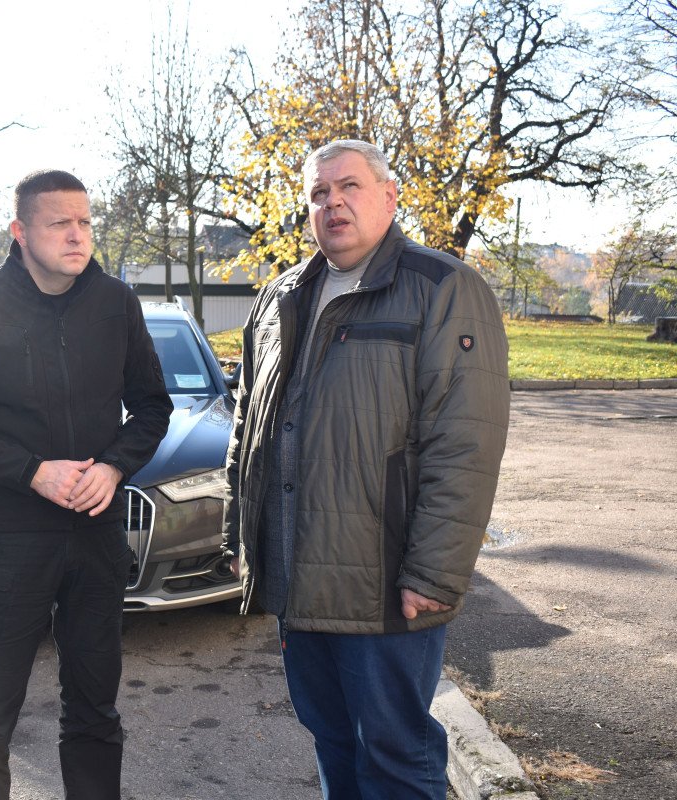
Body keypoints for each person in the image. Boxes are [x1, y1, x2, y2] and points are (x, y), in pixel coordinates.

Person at [223, 140, 510, 799]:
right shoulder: (279, 297)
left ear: (389, 196)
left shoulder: (443, 288)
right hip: (297, 580)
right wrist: (243, 537)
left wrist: (434, 574)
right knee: (331, 740)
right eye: (319, 193)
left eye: (349, 186)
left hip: (385, 584)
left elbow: (465, 447)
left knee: (395, 757)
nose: (333, 203)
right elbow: (248, 429)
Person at [0, 169, 173, 800]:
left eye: (84, 222)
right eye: (60, 223)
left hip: (96, 537)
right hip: (11, 541)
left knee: (95, 712)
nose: (77, 235)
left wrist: (113, 466)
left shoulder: (115, 303)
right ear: (20, 231)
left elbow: (152, 407)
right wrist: (33, 471)